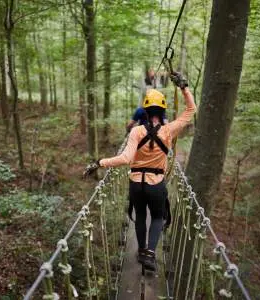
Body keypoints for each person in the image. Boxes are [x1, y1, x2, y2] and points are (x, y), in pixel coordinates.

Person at [83, 72, 196, 271]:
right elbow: (191, 110)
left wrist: (100, 162)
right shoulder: (169, 130)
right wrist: (183, 87)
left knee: (141, 216)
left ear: (144, 109)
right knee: (159, 217)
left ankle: (141, 249)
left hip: (136, 183)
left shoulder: (136, 132)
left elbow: (125, 159)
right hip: (156, 184)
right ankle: (150, 255)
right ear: (162, 110)